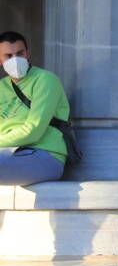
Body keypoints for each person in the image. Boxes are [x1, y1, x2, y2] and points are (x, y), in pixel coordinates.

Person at [0, 31, 70, 185]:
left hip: (46, 155)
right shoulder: (1, 87)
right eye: (8, 56)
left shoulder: (46, 80)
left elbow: (33, 131)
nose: (15, 60)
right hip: (8, 153)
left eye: (20, 53)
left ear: (27, 53)